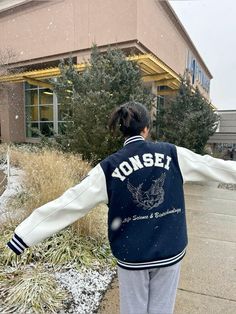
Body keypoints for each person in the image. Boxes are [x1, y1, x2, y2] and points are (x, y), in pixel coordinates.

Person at [7, 101, 236, 314]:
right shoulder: (172, 154)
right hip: (169, 249)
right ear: (146, 129)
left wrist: (24, 235)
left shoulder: (108, 168)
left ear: (122, 131)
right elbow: (212, 166)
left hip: (132, 255)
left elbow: (70, 203)